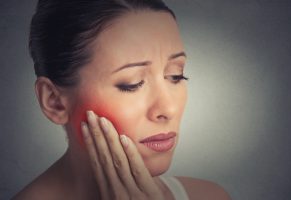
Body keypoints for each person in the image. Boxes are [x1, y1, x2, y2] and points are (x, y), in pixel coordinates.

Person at [13, 0, 231, 199]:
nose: (169, 108)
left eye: (176, 75)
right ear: (54, 101)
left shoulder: (209, 195)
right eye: (132, 84)